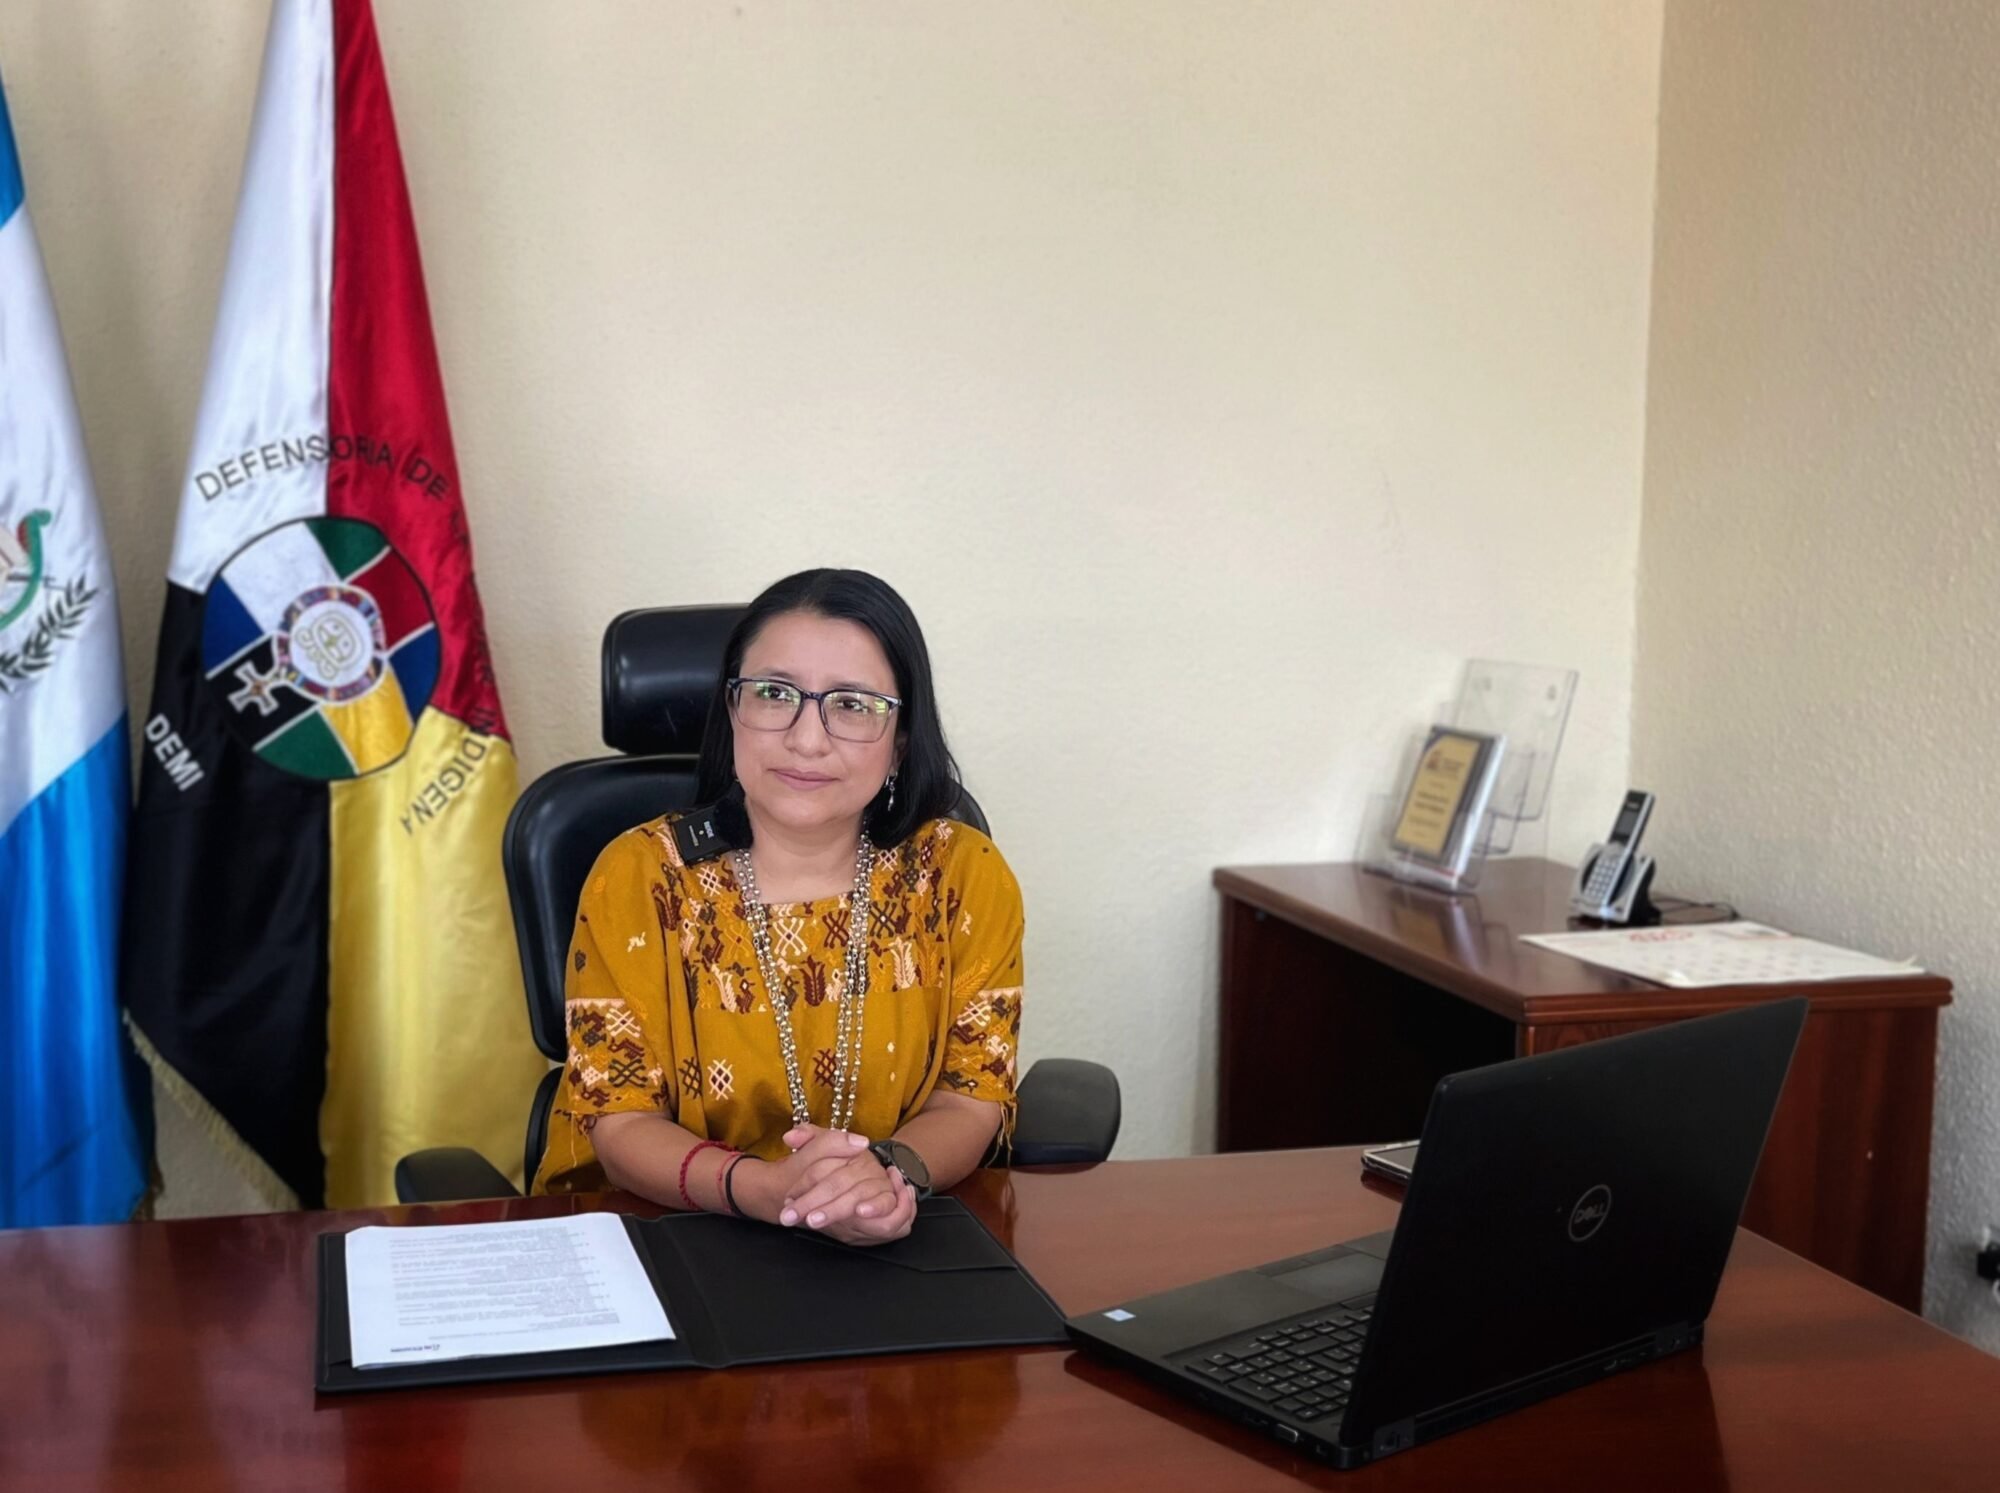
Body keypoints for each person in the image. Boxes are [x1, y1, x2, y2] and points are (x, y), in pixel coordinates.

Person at [532, 569, 1022, 1247]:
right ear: (731, 709)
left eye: (852, 705)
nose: (808, 738)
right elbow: (618, 1121)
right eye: (773, 693)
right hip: (669, 1233)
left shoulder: (962, 876)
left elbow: (970, 1096)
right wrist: (764, 1189)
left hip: (897, 1236)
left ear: (902, 737)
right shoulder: (640, 877)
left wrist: (883, 1178)